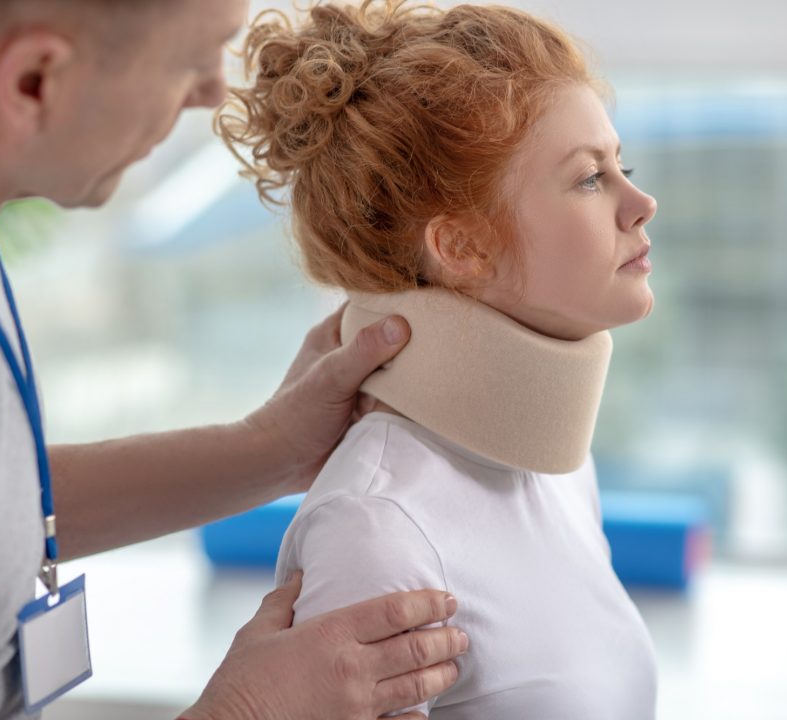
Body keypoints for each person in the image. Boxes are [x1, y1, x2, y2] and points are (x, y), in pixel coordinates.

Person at [0, 0, 470, 719]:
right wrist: (243, 711)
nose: (212, 90)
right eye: (191, 60)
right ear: (34, 82)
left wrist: (271, 449)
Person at [218, 1, 660, 717]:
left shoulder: (559, 469)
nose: (641, 202)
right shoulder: (376, 530)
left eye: (622, 166)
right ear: (461, 247)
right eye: (589, 178)